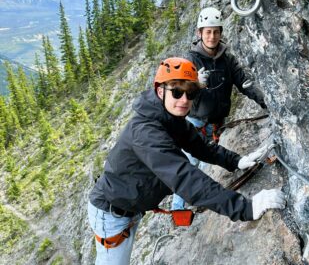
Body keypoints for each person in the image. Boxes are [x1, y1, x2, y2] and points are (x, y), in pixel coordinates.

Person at [87, 57, 285, 265]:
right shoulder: (145, 131)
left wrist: (236, 161)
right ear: (160, 91)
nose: (184, 100)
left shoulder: (168, 117)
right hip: (111, 215)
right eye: (177, 92)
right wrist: (245, 208)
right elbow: (185, 178)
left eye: (190, 93)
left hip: (127, 208)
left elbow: (199, 145)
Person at [171, 7, 268, 210]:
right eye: (208, 31)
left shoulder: (227, 60)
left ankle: (201, 205)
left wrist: (266, 103)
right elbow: (179, 92)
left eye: (216, 31)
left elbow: (244, 83)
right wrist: (195, 84)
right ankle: (178, 211)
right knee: (187, 167)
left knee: (207, 169)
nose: (212, 36)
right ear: (200, 33)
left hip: (217, 125)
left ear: (221, 33)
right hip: (195, 123)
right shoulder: (191, 60)